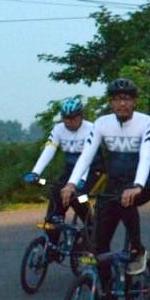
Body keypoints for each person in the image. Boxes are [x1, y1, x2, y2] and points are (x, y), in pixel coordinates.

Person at [61, 78, 150, 300]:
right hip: (115, 184)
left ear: (134, 101)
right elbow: (87, 154)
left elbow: (146, 155)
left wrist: (137, 185)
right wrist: (71, 183)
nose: (121, 104)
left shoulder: (147, 122)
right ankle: (105, 296)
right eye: (116, 99)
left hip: (143, 181)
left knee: (127, 202)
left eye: (126, 99)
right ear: (111, 103)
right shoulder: (102, 123)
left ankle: (137, 249)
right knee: (99, 245)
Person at [24, 97, 99, 245]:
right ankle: (52, 241)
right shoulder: (58, 129)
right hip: (70, 168)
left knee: (79, 197)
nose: (68, 122)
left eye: (72, 118)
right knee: (56, 192)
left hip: (92, 169)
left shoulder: (92, 129)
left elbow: (87, 159)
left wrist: (80, 181)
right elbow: (49, 150)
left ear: (81, 116)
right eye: (65, 118)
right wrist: (35, 172)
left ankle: (91, 226)